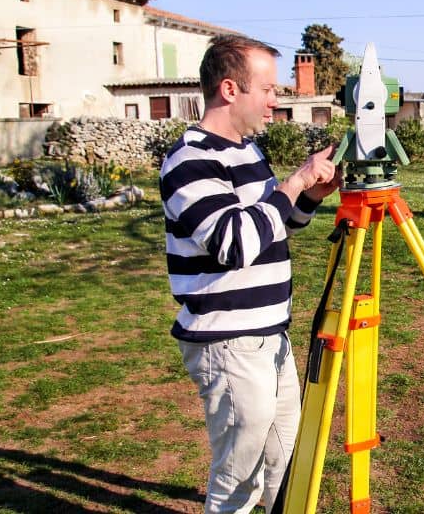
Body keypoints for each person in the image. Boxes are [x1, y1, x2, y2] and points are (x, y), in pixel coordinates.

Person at [160, 34, 340, 513]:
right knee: (239, 479)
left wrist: (311, 196)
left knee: (286, 463)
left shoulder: (247, 152)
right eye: (267, 89)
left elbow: (274, 229)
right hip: (228, 343)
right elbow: (233, 242)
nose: (274, 100)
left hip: (269, 336)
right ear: (230, 89)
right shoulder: (191, 159)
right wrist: (294, 182)